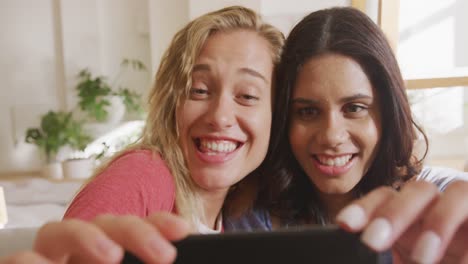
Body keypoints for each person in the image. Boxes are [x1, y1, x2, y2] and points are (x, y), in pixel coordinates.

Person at [0, 6, 284, 264]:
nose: (220, 116)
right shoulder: (142, 173)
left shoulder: (242, 216)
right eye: (198, 90)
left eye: (247, 95)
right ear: (172, 101)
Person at [233, 6, 468, 264]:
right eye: (308, 111)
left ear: (388, 114)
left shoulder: (440, 201)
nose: (331, 136)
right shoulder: (251, 221)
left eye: (355, 108)